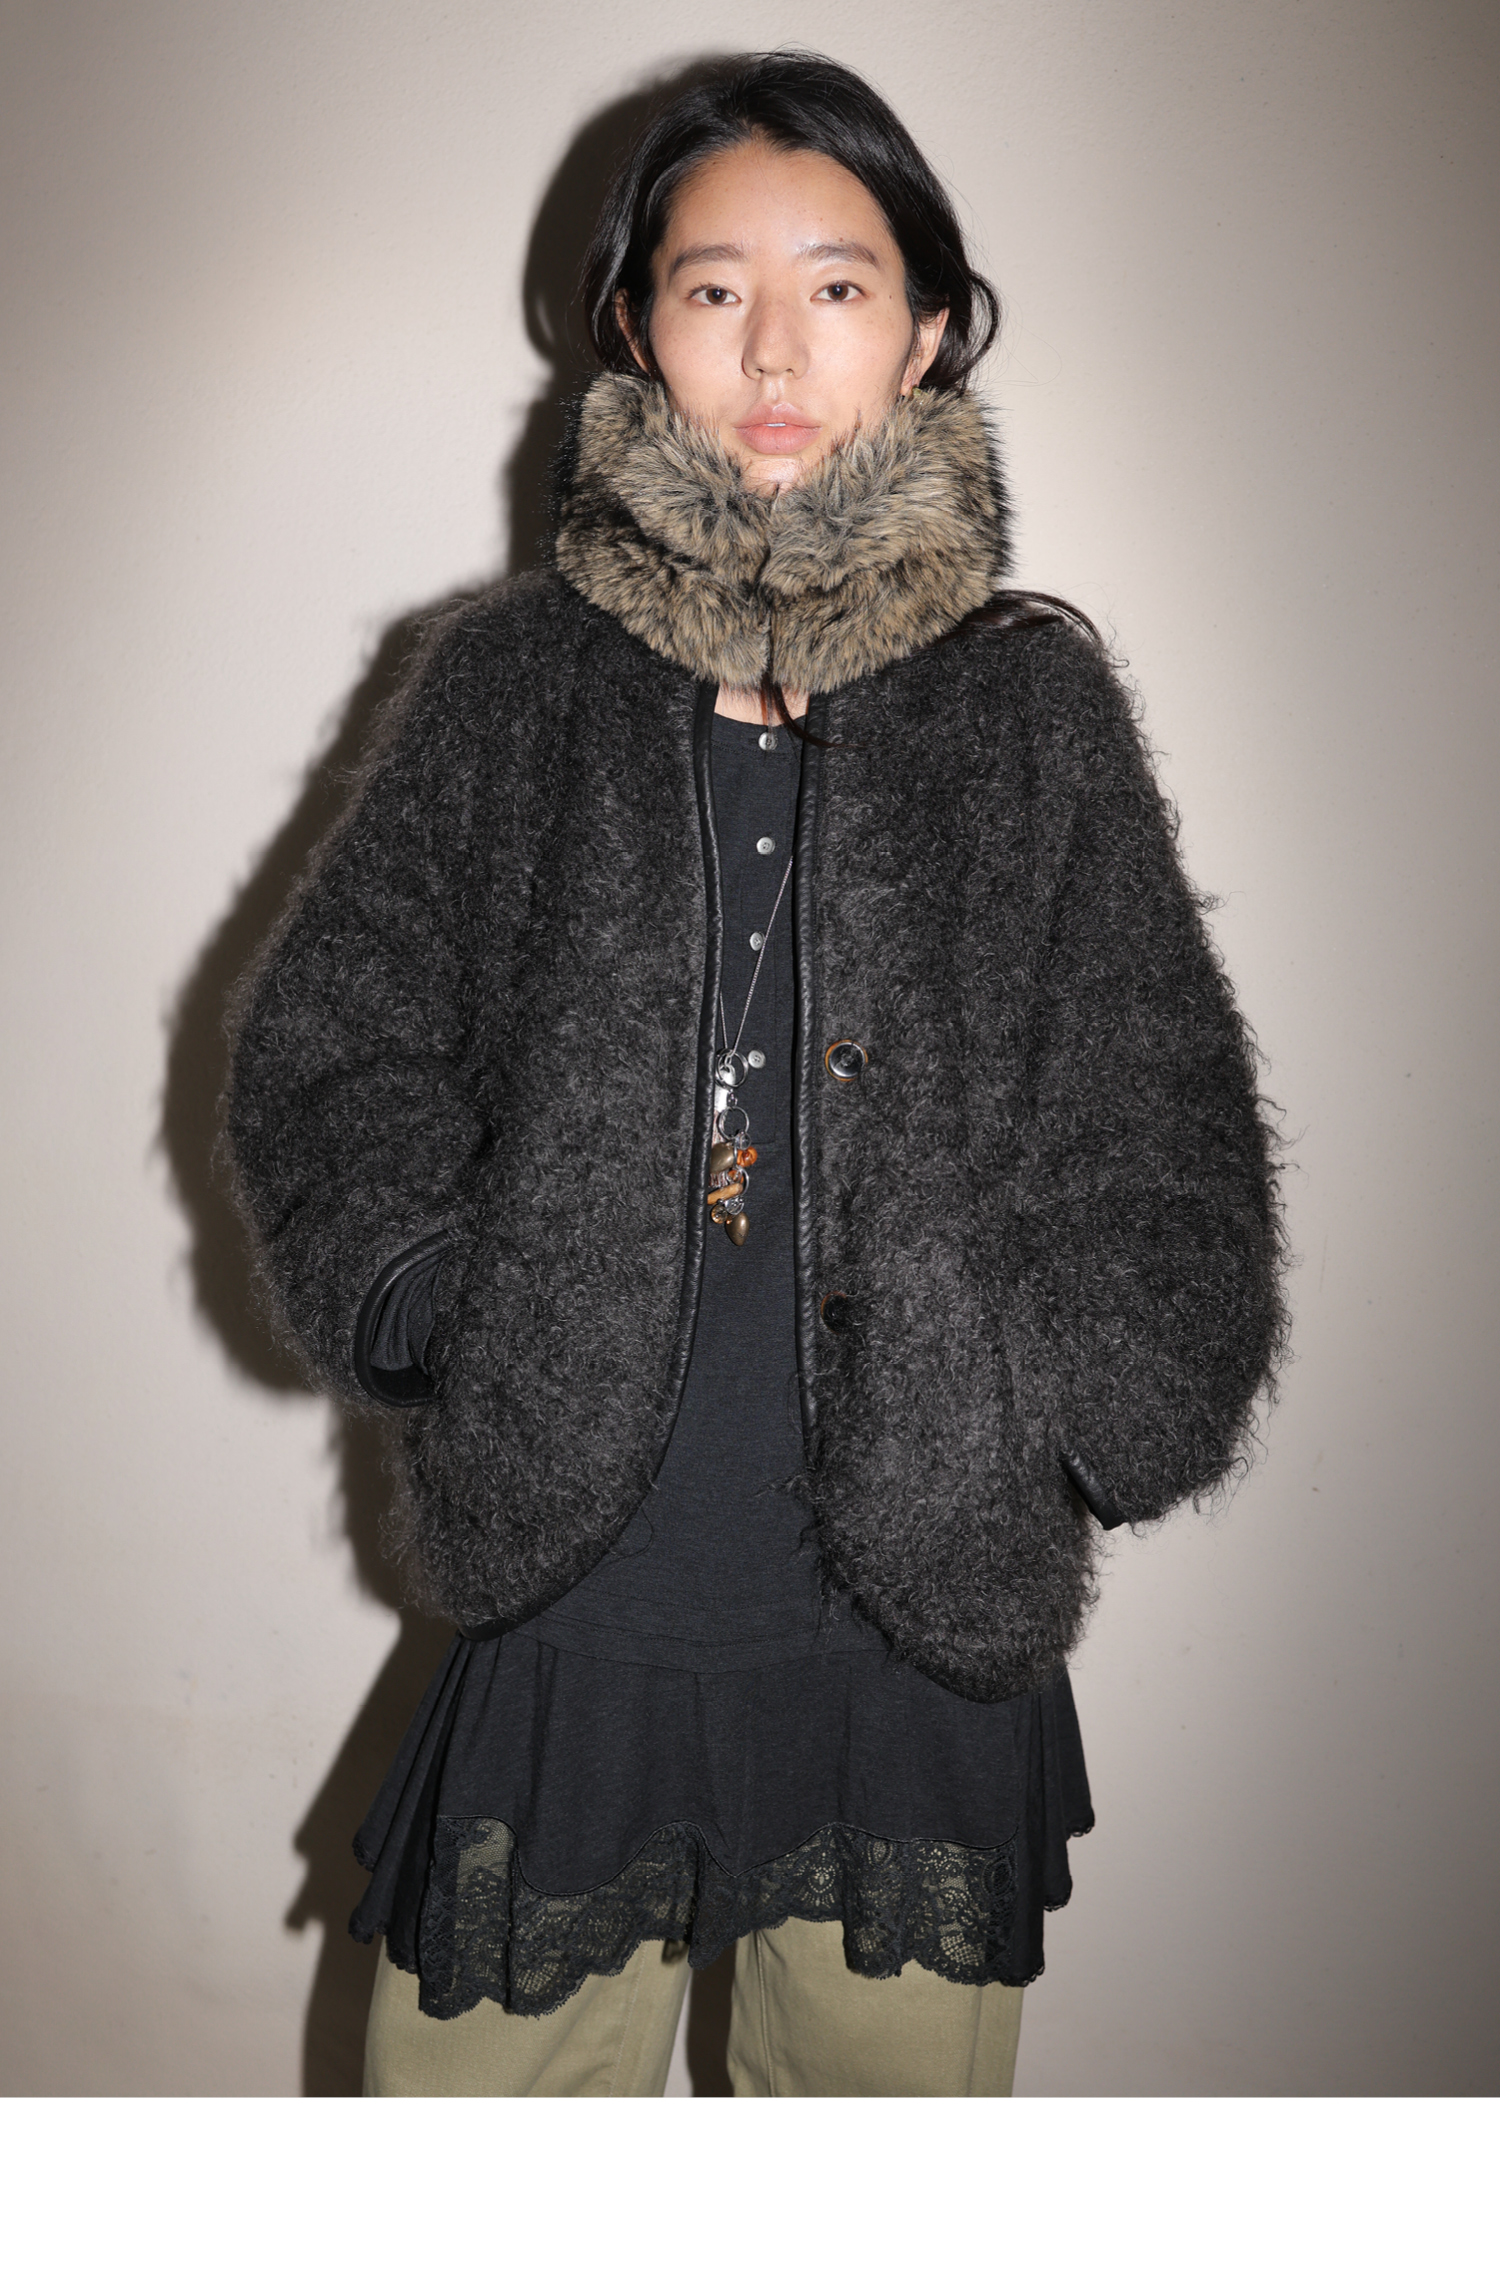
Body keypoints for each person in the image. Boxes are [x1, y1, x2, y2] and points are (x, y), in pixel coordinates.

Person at [226, 50, 1284, 2098]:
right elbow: (330, 1044)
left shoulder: (1031, 715)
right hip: (577, 1579)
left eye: (840, 286)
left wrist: (1084, 1407)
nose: (777, 350)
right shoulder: (509, 690)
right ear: (637, 328)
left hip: (920, 1614)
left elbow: (1162, 1125)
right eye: (715, 288)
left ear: (930, 328)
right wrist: (443, 1298)